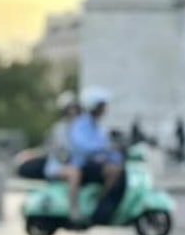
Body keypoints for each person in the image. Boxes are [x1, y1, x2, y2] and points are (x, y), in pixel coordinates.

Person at [68, 88, 125, 224]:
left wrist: (117, 155)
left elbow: (107, 149)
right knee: (112, 171)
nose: (105, 109)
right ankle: (98, 203)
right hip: (83, 165)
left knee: (118, 169)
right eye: (102, 106)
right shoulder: (80, 124)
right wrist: (104, 149)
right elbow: (81, 146)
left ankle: (104, 206)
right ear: (95, 107)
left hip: (96, 164)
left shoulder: (97, 126)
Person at [43, 92, 85, 220]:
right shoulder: (58, 128)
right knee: (74, 174)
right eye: (70, 110)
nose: (73, 112)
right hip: (59, 165)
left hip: (74, 162)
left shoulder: (81, 128)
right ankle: (73, 208)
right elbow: (60, 152)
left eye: (75, 109)